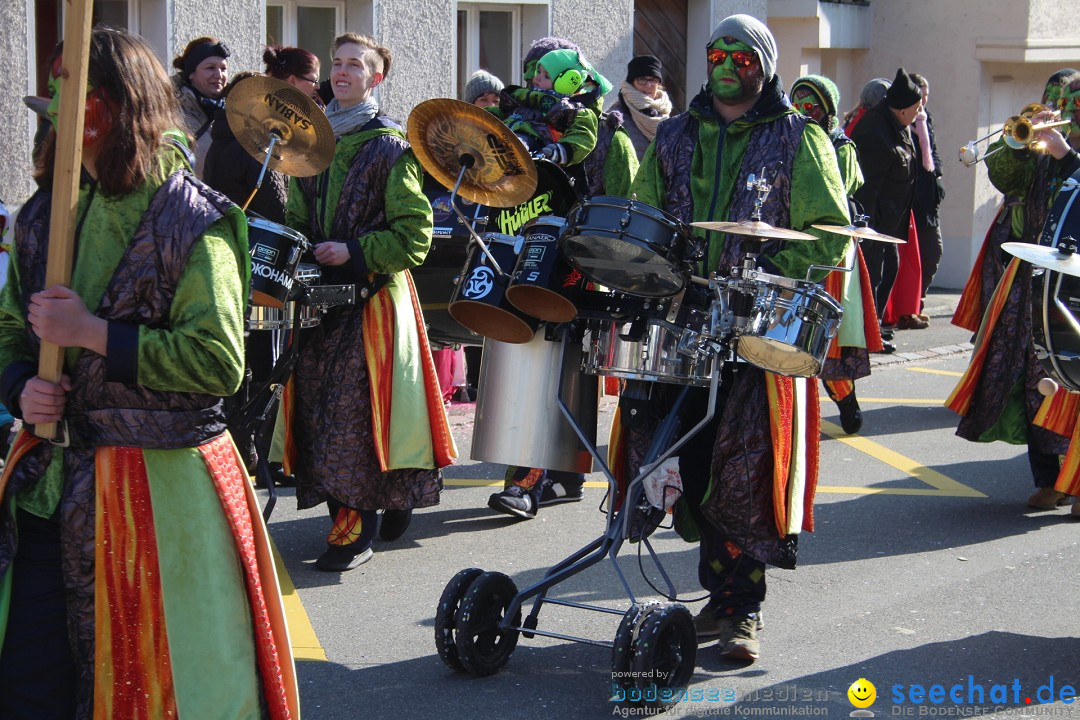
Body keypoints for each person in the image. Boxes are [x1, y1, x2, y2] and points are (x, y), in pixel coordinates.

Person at [0, 26, 297, 718]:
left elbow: (218, 362)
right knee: (28, 686)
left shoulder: (193, 219)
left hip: (161, 504)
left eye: (70, 87)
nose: (54, 104)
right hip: (50, 489)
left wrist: (92, 334)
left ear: (109, 104)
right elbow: (12, 323)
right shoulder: (46, 211)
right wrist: (21, 382)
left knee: (160, 693)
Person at [623, 14, 849, 662]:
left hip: (756, 329)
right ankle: (718, 596)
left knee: (744, 472)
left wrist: (767, 276)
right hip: (683, 320)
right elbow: (645, 215)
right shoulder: (674, 136)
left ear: (765, 65)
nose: (727, 63)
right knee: (689, 464)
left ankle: (741, 609)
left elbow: (828, 231)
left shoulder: (799, 138)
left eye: (742, 55)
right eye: (717, 51)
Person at [285, 32, 456, 571]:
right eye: (336, 64)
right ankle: (388, 501)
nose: (342, 72)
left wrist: (354, 249)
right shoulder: (310, 146)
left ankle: (352, 531)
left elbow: (415, 238)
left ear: (376, 77)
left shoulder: (391, 147)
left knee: (355, 417)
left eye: (355, 65)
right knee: (320, 412)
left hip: (374, 305)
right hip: (319, 303)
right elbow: (294, 220)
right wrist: (293, 247)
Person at [947, 69, 1080, 512]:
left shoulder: (1065, 157)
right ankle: (1049, 477)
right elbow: (1004, 177)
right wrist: (1017, 142)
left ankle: (1075, 481)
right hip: (1034, 285)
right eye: (1052, 101)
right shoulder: (1040, 152)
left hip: (1075, 286)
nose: (1059, 112)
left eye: (1067, 104)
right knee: (1034, 382)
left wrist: (1068, 161)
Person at [790, 74, 882, 434]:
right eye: (797, 103)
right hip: (791, 244)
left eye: (810, 105)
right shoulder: (785, 140)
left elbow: (833, 193)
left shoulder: (841, 147)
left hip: (829, 252)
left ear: (825, 110)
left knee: (825, 337)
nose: (802, 111)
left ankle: (845, 400)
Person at [850, 67, 922, 347]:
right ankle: (867, 333)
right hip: (875, 222)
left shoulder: (896, 124)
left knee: (889, 268)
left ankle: (874, 327)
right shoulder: (875, 130)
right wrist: (868, 228)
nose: (918, 114)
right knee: (874, 274)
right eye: (916, 108)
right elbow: (868, 187)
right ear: (902, 109)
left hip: (890, 221)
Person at [909, 72, 944, 324]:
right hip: (911, 200)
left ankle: (918, 300)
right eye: (920, 96)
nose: (923, 101)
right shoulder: (904, 121)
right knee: (912, 259)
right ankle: (910, 308)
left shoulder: (925, 118)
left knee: (933, 252)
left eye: (926, 96)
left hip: (928, 201)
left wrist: (938, 176)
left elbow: (932, 151)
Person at [171, 36, 230, 176]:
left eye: (223, 68)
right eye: (210, 68)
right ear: (191, 73)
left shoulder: (233, 115)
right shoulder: (172, 114)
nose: (219, 75)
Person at [617, 54, 675, 160]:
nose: (648, 85)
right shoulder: (617, 116)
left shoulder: (663, 111)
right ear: (632, 83)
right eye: (642, 79)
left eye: (653, 80)